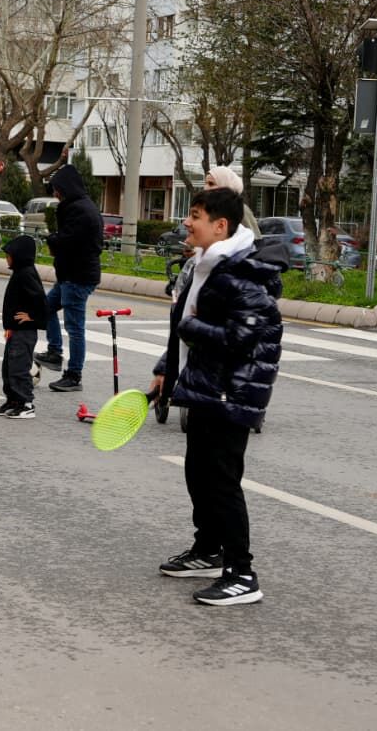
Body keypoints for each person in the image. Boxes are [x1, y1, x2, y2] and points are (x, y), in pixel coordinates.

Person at [150, 187, 285, 607]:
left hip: (233, 394)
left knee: (222, 483)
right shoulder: (206, 265)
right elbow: (187, 330)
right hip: (207, 388)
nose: (187, 223)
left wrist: (191, 330)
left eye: (195, 215)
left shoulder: (239, 272)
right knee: (198, 472)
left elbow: (242, 337)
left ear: (220, 225)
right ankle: (208, 549)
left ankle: (242, 573)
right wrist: (165, 372)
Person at [38, 162, 103, 392]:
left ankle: (74, 375)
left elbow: (68, 241)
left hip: (77, 277)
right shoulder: (79, 206)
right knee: (45, 307)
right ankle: (54, 352)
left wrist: (53, 240)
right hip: (70, 275)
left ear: (65, 188)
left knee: (75, 328)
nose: (55, 194)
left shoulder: (80, 210)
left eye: (57, 189)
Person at [0, 235, 46, 419]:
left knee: (19, 368)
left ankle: (26, 403)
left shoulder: (26, 274)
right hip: (15, 330)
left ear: (20, 256)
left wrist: (32, 318)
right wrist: (9, 326)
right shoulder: (19, 272)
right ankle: (13, 400)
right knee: (8, 368)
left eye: (9, 255)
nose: (6, 259)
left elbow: (40, 299)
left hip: (25, 332)